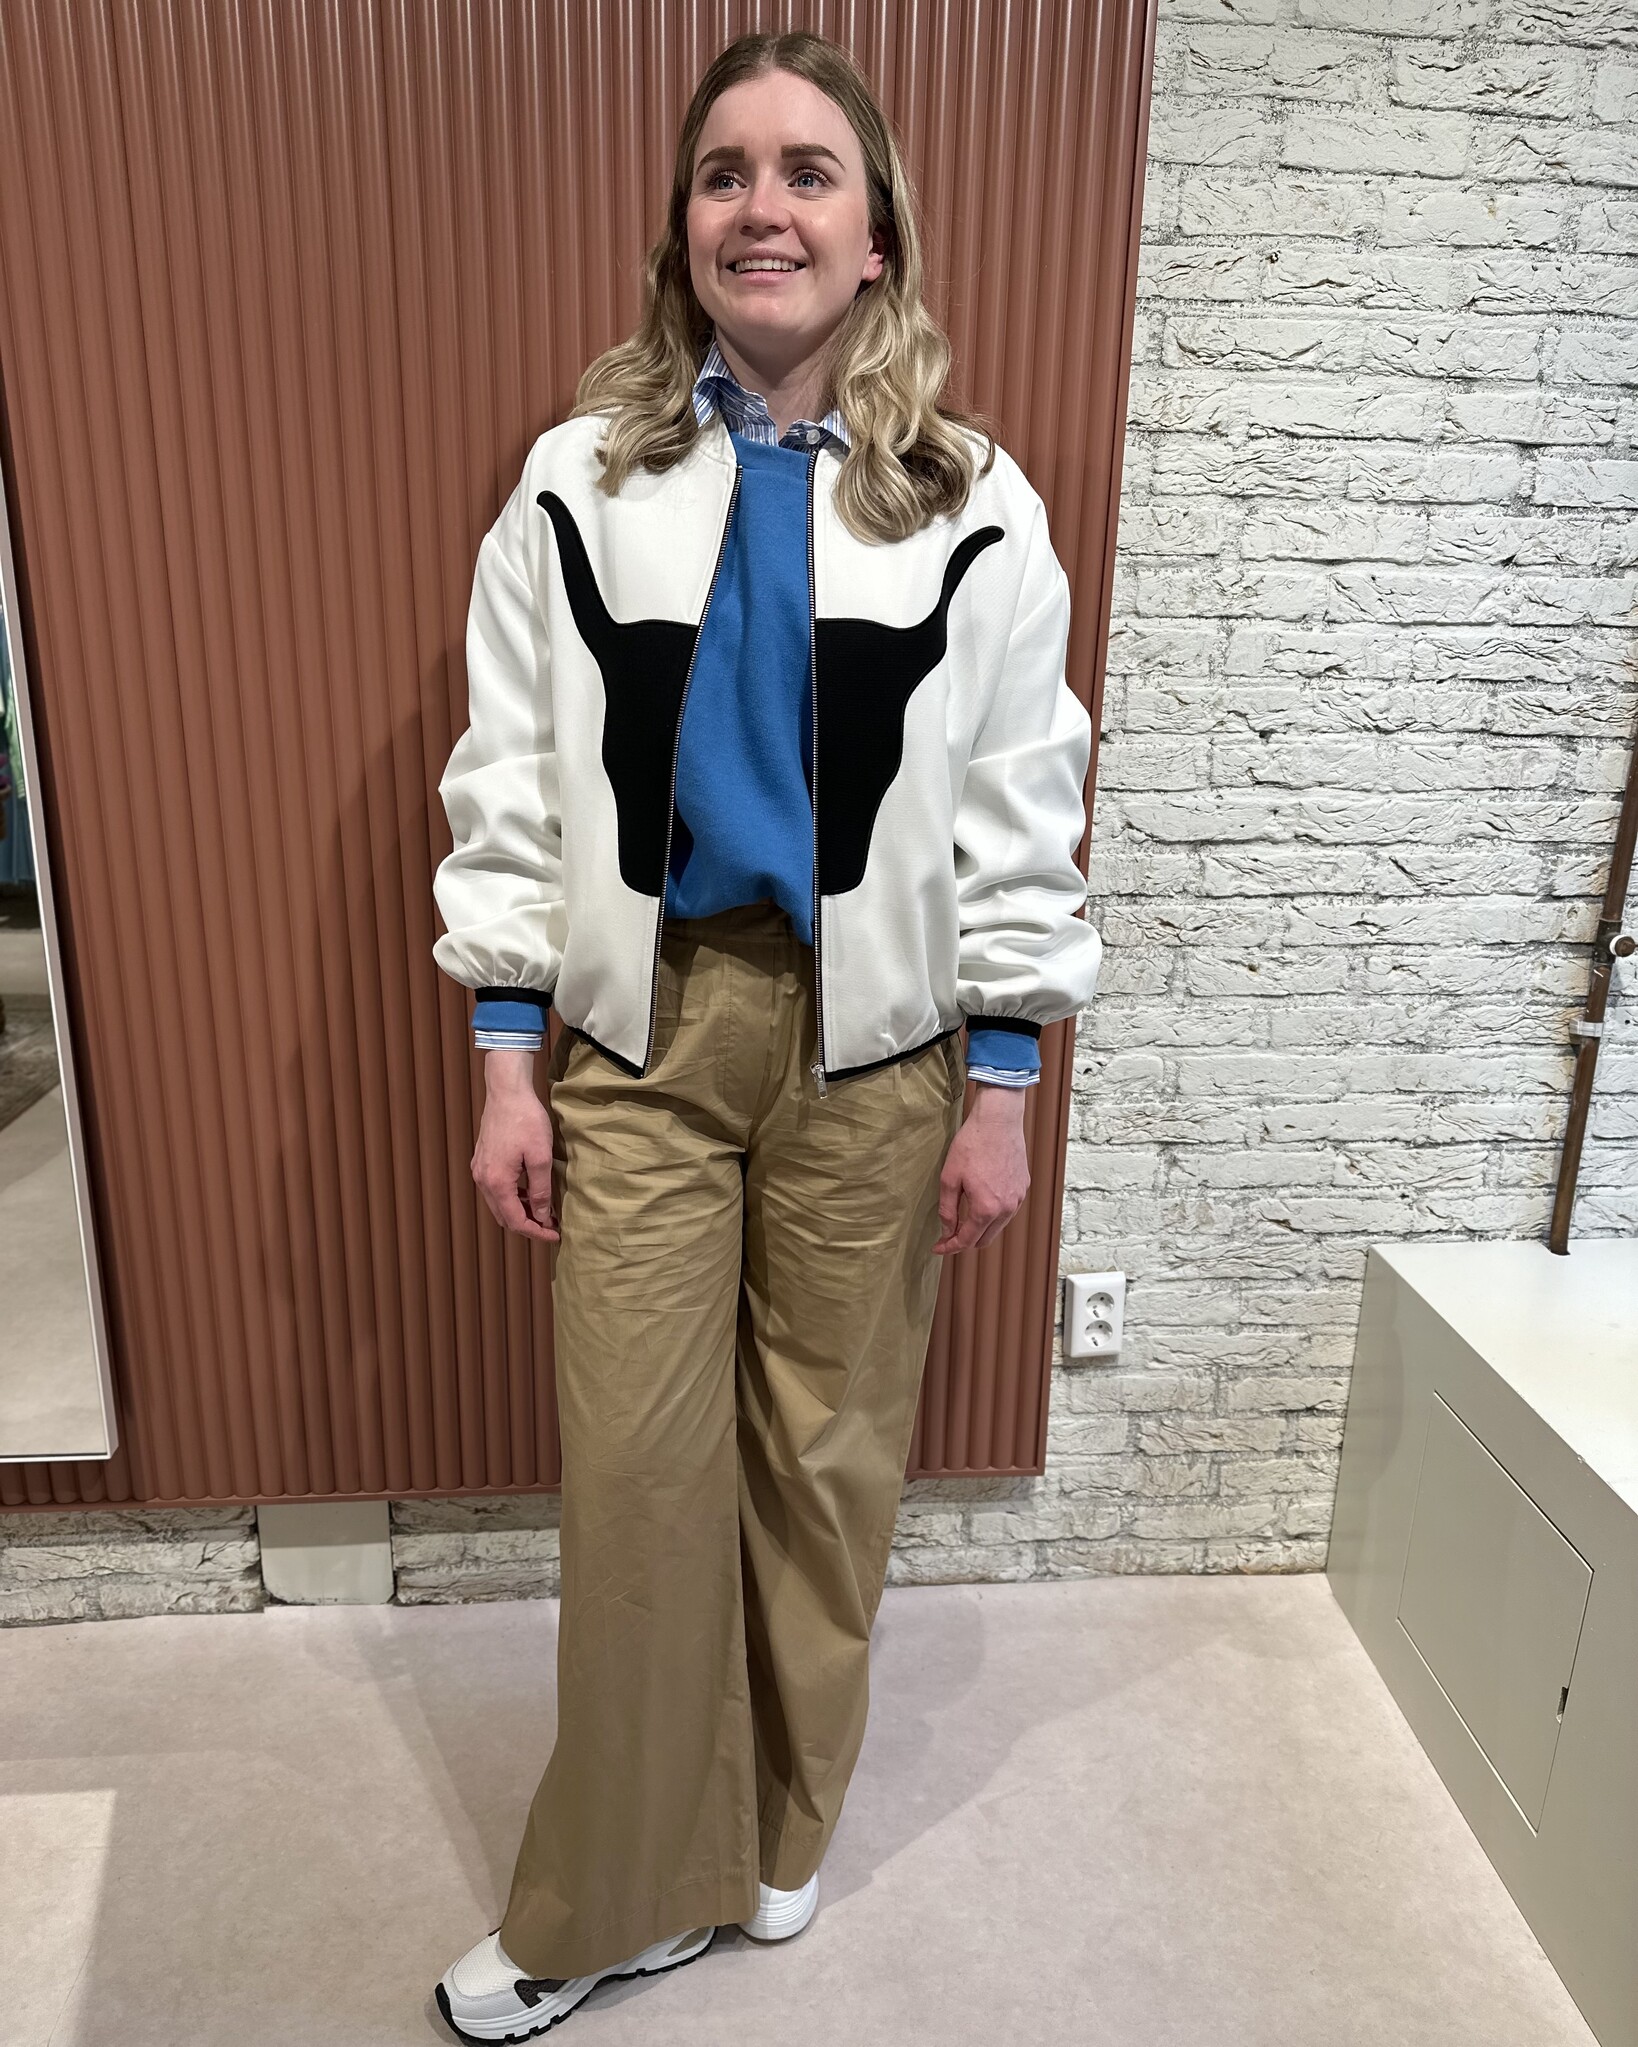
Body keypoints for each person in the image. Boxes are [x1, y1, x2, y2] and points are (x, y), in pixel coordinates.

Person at [428, 28, 1101, 2042]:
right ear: (684, 229)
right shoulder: (581, 479)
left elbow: (1020, 806)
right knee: (640, 1476)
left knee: (827, 1459)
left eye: (810, 172)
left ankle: (779, 1835)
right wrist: (504, 1052)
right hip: (644, 1038)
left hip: (877, 1057)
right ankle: (619, 1895)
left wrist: (1003, 1080)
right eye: (726, 172)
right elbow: (508, 785)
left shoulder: (975, 505)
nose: (764, 207)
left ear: (875, 234)